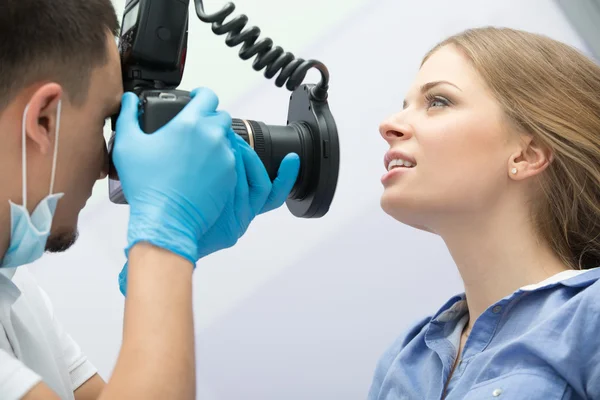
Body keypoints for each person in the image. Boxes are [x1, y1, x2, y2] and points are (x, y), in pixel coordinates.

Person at [0, 0, 299, 399]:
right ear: (43, 119)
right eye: (104, 121)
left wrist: (156, 269)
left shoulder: (18, 302)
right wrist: (165, 236)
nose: (109, 164)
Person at [368, 26, 600, 399]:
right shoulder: (405, 358)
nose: (388, 125)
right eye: (405, 104)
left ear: (526, 155)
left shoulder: (591, 316)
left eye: (438, 102)